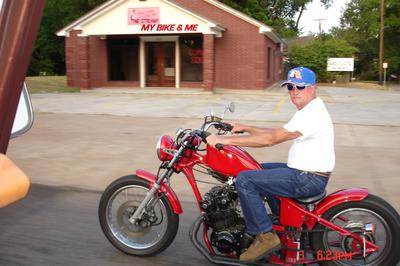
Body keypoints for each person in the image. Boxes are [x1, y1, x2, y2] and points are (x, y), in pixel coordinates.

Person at [206, 67, 335, 262]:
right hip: (303, 172)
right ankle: (280, 222)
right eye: (290, 87)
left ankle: (264, 235)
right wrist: (245, 128)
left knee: (245, 180)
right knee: (257, 169)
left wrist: (225, 141)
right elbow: (275, 132)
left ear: (312, 88)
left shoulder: (312, 114)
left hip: (307, 177)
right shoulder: (309, 110)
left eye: (300, 86)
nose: (294, 91)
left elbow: (271, 139)